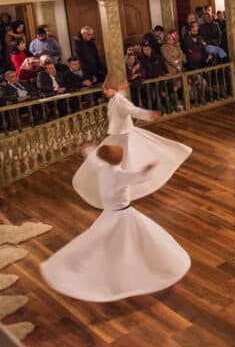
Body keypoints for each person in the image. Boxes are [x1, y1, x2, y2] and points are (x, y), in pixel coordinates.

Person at [40, 144, 190, 302]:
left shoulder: (102, 169)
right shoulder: (120, 175)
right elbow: (140, 177)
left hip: (109, 214)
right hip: (123, 214)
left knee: (98, 240)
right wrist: (148, 169)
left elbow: (93, 161)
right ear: (120, 159)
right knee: (137, 241)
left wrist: (88, 151)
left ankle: (79, 265)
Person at [72, 73, 192, 209]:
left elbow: (133, 110)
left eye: (107, 89)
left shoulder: (120, 101)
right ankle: (118, 182)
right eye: (104, 89)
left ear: (113, 90)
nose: (104, 92)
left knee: (128, 158)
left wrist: (148, 114)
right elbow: (121, 93)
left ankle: (126, 185)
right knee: (110, 158)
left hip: (125, 135)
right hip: (117, 134)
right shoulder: (114, 98)